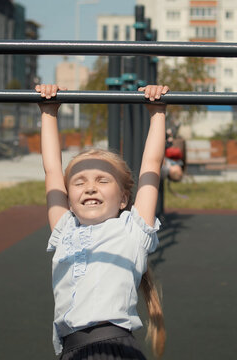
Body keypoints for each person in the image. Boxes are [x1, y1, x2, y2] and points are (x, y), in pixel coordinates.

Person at [36, 83, 170, 359]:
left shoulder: (131, 230)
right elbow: (51, 170)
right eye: (79, 182)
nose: (90, 187)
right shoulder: (65, 229)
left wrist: (157, 112)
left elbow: (151, 166)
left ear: (123, 198)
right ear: (69, 198)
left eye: (102, 180)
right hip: (70, 351)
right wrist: (48, 111)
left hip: (113, 347)